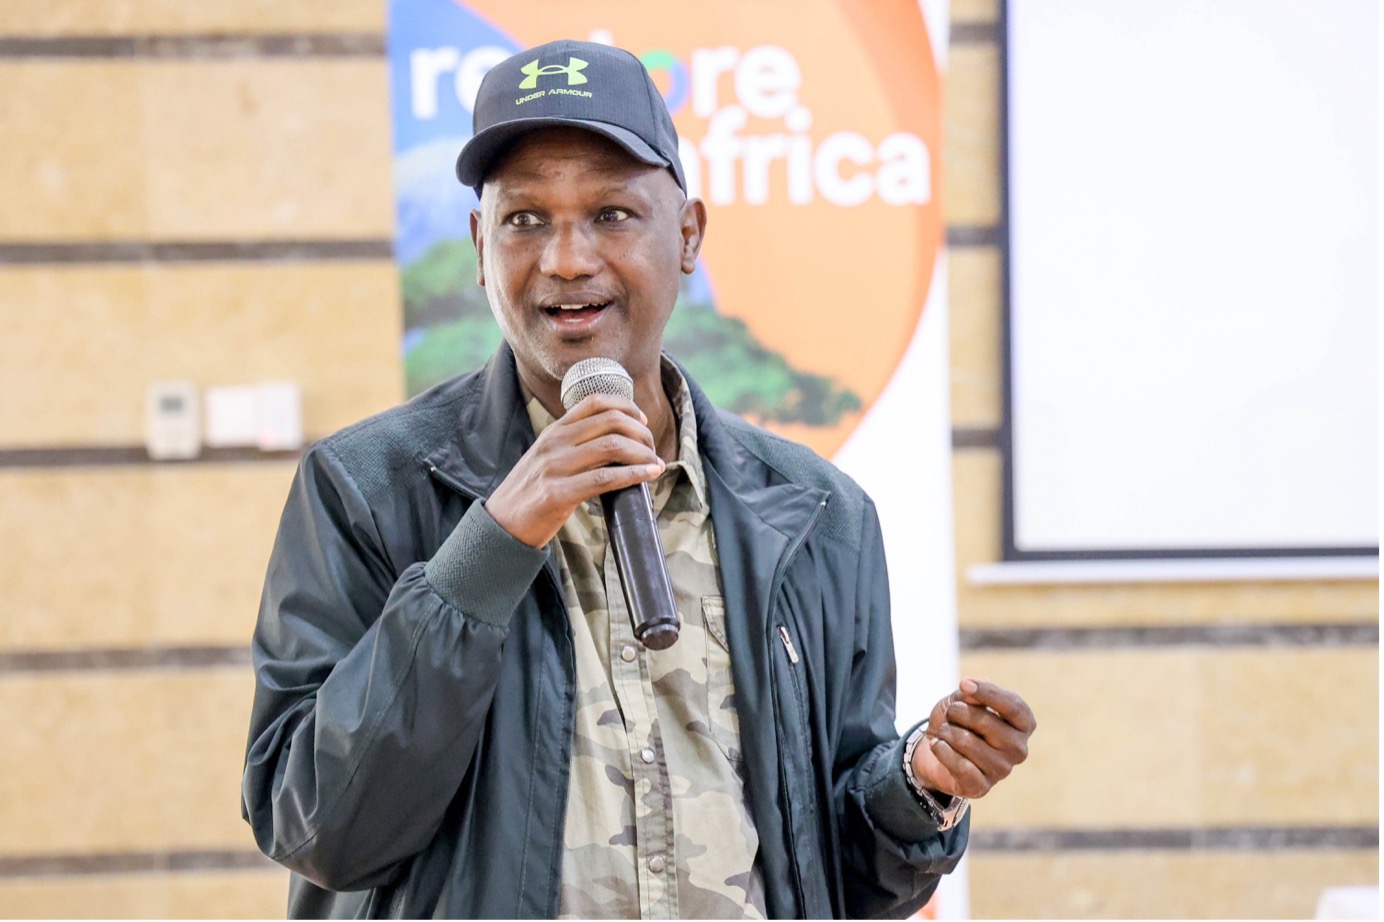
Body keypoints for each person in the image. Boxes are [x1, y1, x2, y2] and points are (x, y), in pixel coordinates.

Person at [241, 39, 1035, 920]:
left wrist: (916, 787)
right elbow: (316, 826)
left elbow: (838, 876)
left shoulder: (816, 514)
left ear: (688, 235)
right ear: (478, 245)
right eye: (525, 219)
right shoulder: (365, 488)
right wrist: (491, 547)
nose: (567, 259)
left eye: (613, 214)